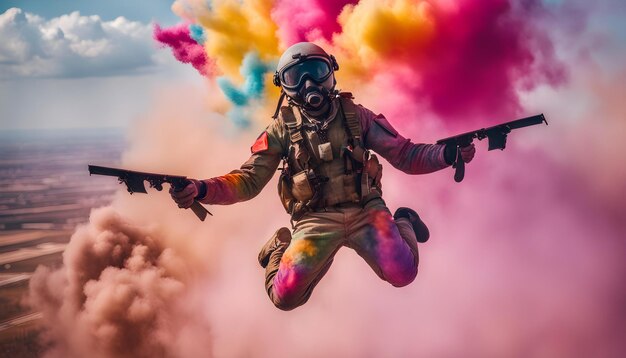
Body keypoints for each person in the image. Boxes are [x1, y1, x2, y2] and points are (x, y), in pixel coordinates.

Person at [171, 42, 475, 311]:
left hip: (366, 210)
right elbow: (248, 180)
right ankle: (280, 245)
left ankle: (404, 219)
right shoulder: (280, 129)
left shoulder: (357, 115)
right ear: (285, 86)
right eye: (296, 77)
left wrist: (446, 155)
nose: (308, 83)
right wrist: (200, 189)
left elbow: (405, 155)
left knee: (403, 273)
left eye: (316, 71)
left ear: (330, 72)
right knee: (285, 298)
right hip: (315, 220)